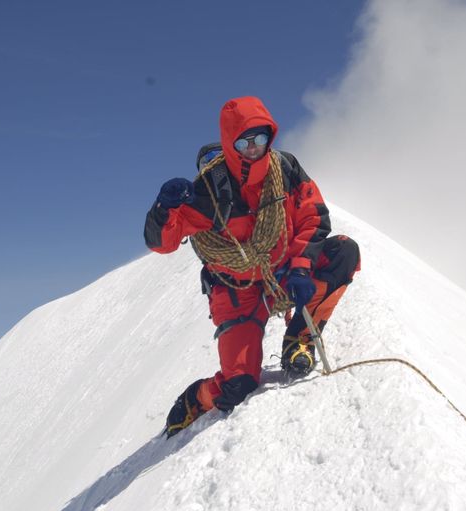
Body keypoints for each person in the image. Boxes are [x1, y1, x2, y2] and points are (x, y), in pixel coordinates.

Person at [144, 96, 360, 438]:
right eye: (243, 142)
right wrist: (163, 209)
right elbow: (163, 243)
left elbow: (313, 217)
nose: (253, 148)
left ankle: (299, 341)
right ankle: (196, 398)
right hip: (235, 290)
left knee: (344, 253)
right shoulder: (208, 191)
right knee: (239, 384)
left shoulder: (284, 169)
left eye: (260, 138)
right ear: (229, 143)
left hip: (282, 272)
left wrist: (301, 266)